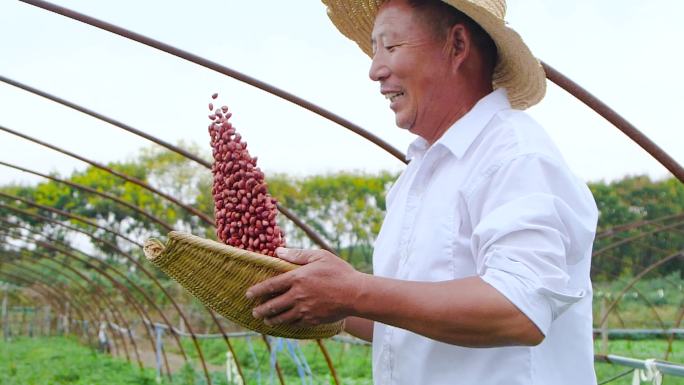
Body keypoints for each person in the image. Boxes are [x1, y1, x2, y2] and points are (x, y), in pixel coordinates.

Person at [247, 0, 599, 384]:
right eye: (374, 50)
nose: (375, 70)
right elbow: (401, 320)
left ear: (457, 46)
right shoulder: (415, 177)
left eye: (390, 47)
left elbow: (518, 308)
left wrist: (355, 291)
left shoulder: (515, 154)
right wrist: (316, 298)